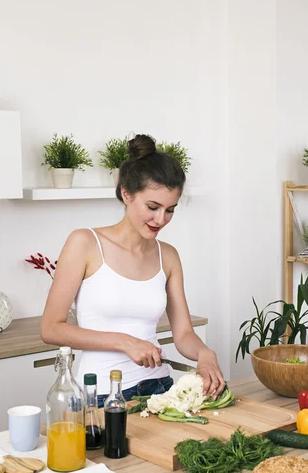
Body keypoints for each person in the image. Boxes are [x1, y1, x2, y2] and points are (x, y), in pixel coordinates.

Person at [41, 134, 225, 407]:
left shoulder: (168, 256)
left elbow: (183, 334)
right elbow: (51, 329)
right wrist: (125, 342)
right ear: (126, 194)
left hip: (161, 390)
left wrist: (204, 354)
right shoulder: (85, 243)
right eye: (152, 207)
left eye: (170, 210)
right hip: (100, 395)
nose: (160, 220)